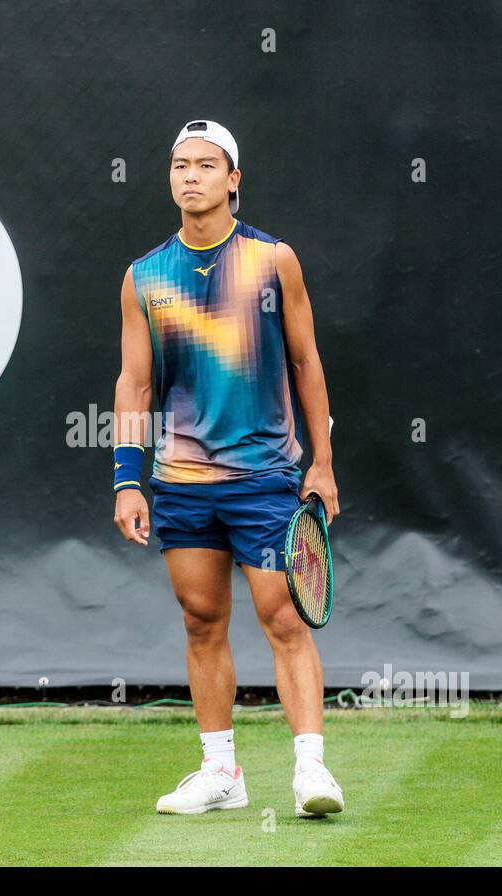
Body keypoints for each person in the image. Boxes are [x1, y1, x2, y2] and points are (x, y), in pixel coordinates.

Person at [112, 120, 345, 817]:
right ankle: (222, 773)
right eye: (180, 165)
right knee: (200, 619)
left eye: (206, 165)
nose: (190, 176)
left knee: (283, 617)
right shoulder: (145, 276)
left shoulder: (274, 262)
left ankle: (311, 773)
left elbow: (306, 362)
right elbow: (134, 384)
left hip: (265, 476)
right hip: (181, 482)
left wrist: (324, 464)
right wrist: (128, 477)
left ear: (233, 179)